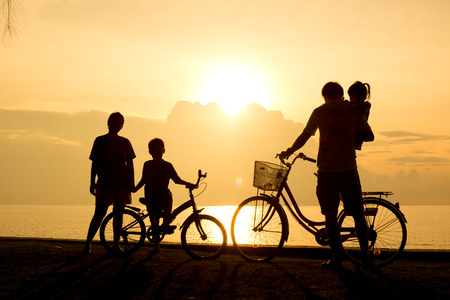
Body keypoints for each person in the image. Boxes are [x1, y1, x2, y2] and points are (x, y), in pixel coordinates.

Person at [279, 82, 374, 270]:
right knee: (358, 216)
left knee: (330, 216)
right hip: (348, 168)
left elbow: (305, 135)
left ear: (324, 95)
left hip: (326, 171)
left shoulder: (319, 111)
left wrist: (289, 151)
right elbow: (369, 136)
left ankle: (337, 259)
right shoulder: (353, 110)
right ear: (341, 94)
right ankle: (365, 259)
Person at [83, 112, 136, 254]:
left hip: (121, 183)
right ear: (108, 123)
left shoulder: (125, 142)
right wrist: (92, 181)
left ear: (122, 126)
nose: (115, 125)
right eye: (113, 122)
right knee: (99, 214)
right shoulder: (99, 141)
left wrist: (132, 182)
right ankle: (88, 244)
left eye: (118, 123)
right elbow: (94, 162)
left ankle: (116, 245)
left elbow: (130, 164)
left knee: (118, 214)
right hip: (104, 182)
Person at [133, 138, 194, 253]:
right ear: (150, 152)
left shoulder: (168, 166)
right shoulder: (147, 165)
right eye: (154, 152)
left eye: (159, 152)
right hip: (151, 195)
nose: (156, 154)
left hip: (163, 194)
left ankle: (165, 224)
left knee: (167, 200)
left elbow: (177, 179)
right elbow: (143, 180)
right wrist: (135, 189)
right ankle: (157, 246)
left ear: (163, 151)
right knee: (154, 221)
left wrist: (188, 183)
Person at [347, 81, 371, 150]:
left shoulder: (366, 105)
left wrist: (352, 104)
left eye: (352, 97)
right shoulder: (352, 105)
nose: (350, 99)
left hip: (360, 131)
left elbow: (361, 110)